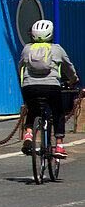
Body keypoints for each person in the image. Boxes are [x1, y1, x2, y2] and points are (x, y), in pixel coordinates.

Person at [19, 19, 78, 159]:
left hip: (30, 86)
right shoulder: (57, 49)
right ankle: (59, 145)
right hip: (51, 86)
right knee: (58, 113)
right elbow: (68, 67)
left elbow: (20, 66)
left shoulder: (27, 49)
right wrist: (74, 80)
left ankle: (28, 132)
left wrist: (24, 83)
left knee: (32, 109)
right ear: (50, 34)